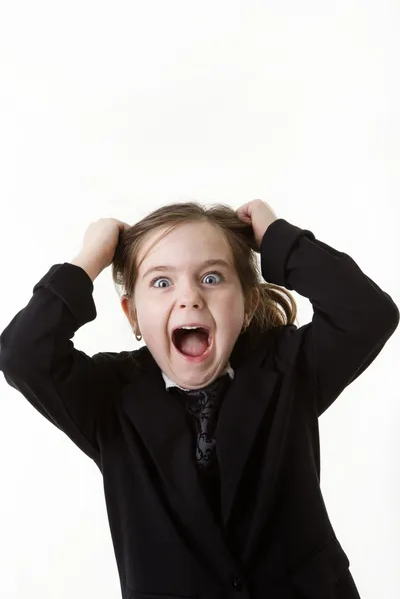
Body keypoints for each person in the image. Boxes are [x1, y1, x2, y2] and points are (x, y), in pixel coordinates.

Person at [0, 199, 398, 599]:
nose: (189, 297)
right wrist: (90, 258)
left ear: (247, 306)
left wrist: (278, 238)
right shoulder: (108, 396)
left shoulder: (289, 367)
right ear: (133, 315)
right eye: (161, 282)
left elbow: (367, 313)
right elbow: (23, 355)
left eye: (211, 278)